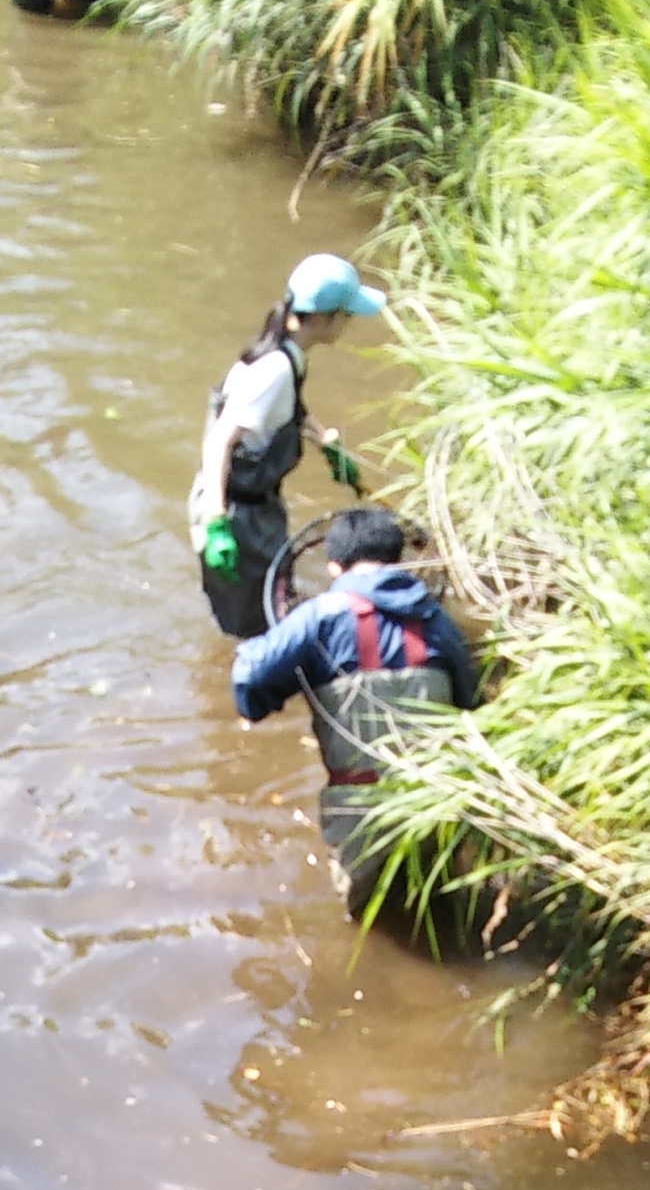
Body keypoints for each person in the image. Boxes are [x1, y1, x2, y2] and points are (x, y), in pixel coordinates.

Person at [229, 505, 478, 915]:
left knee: (370, 920)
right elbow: (470, 703)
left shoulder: (320, 617)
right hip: (435, 797)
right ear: (398, 559)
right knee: (436, 908)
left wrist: (260, 678)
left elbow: (248, 683)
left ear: (334, 567)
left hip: (359, 806)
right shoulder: (438, 622)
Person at [192, 254, 384, 642]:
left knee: (273, 600)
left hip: (254, 505)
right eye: (346, 316)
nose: (347, 325)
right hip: (233, 514)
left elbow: (289, 409)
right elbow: (219, 442)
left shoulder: (287, 353)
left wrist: (324, 441)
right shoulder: (274, 370)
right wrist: (216, 525)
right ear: (324, 318)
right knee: (254, 626)